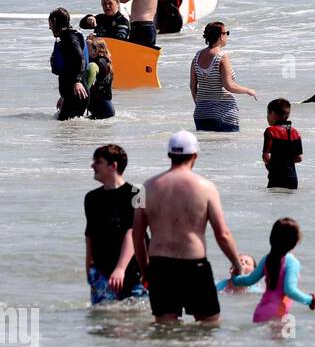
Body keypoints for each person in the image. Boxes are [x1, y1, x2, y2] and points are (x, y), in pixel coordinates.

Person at [131, 130, 244, 323]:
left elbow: (137, 235)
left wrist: (145, 270)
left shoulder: (145, 187)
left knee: (165, 328)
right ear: (195, 155)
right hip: (194, 266)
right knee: (208, 327)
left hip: (160, 266)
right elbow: (222, 234)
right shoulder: (206, 187)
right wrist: (237, 265)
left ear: (169, 154)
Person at [84, 144, 144, 305]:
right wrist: (89, 268)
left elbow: (133, 233)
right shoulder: (91, 198)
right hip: (102, 271)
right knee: (103, 322)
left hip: (133, 271)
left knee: (135, 321)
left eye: (98, 162)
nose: (92, 166)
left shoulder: (136, 193)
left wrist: (120, 269)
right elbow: (90, 234)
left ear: (113, 166)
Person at [228, 218, 315, 323]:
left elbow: (249, 280)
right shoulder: (292, 262)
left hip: (260, 312)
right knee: (289, 338)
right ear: (296, 241)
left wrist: (235, 279)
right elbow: (290, 290)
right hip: (277, 313)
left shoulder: (267, 259)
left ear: (271, 238)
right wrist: (310, 300)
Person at [190, 21, 256, 132]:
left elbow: (192, 86)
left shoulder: (197, 56)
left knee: (207, 148)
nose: (227, 36)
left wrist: (201, 104)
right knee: (226, 148)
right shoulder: (221, 57)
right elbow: (229, 86)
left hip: (201, 113)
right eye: (227, 33)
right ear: (221, 36)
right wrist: (248, 90)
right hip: (223, 113)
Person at [49, 7, 88, 121]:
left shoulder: (70, 38)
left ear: (55, 22)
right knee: (69, 132)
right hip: (72, 94)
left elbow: (81, 58)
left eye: (50, 24)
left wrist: (77, 81)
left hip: (77, 93)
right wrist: (64, 97)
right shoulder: (69, 35)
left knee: (66, 133)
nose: (49, 27)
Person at [262, 98, 302, 189]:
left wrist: (271, 167)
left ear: (272, 114)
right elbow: (299, 158)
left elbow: (265, 156)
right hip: (292, 178)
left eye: (267, 113)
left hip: (276, 177)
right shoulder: (295, 132)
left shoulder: (270, 131)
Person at [85, 36, 114, 120]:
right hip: (107, 107)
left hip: (102, 108)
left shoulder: (96, 64)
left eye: (90, 48)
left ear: (98, 49)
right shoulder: (106, 61)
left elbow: (88, 86)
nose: (88, 50)